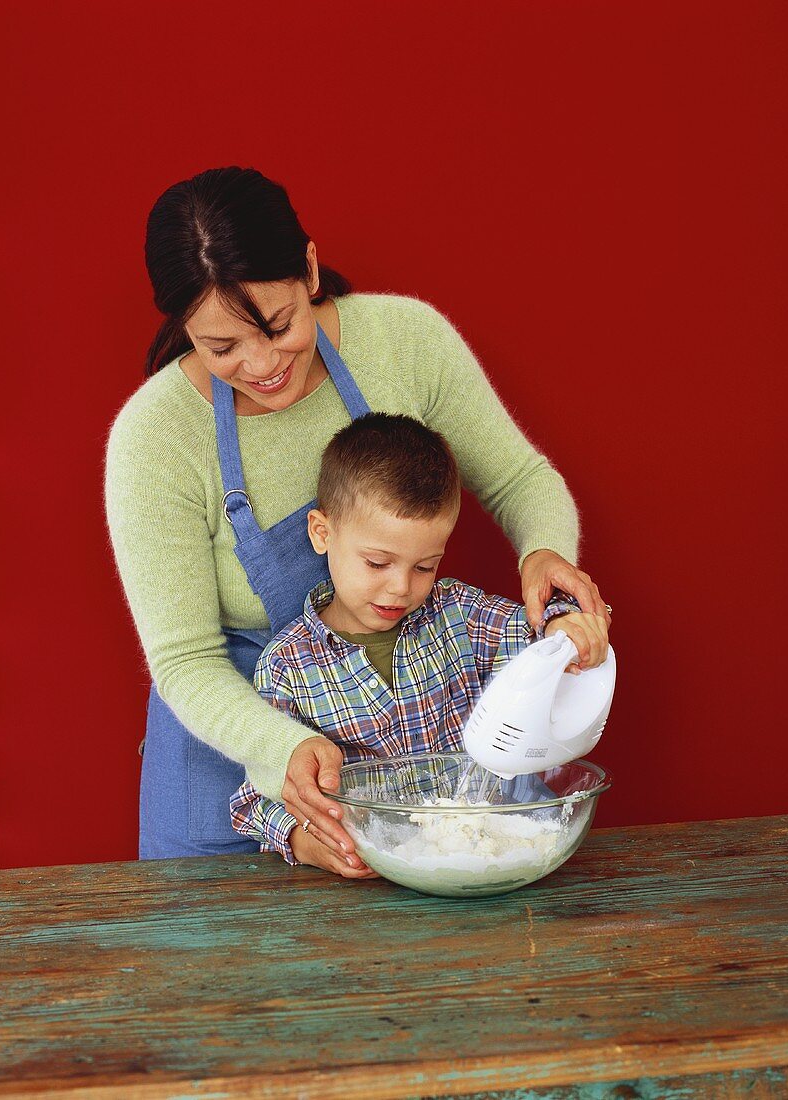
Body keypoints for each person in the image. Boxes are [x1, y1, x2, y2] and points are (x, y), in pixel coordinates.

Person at [105, 166, 611, 860]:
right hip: (227, 735)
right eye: (221, 347)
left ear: (309, 269)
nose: (260, 365)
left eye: (279, 326)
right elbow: (185, 660)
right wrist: (282, 749)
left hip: (390, 731)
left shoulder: (406, 342)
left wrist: (544, 553)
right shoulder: (155, 438)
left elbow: (521, 478)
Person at [231, 413, 609, 877]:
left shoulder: (459, 615)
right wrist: (306, 842)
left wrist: (565, 629)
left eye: (424, 567)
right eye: (377, 563)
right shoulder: (287, 666)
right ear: (321, 532)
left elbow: (539, 636)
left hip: (486, 855)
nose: (400, 588)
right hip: (373, 878)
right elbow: (253, 800)